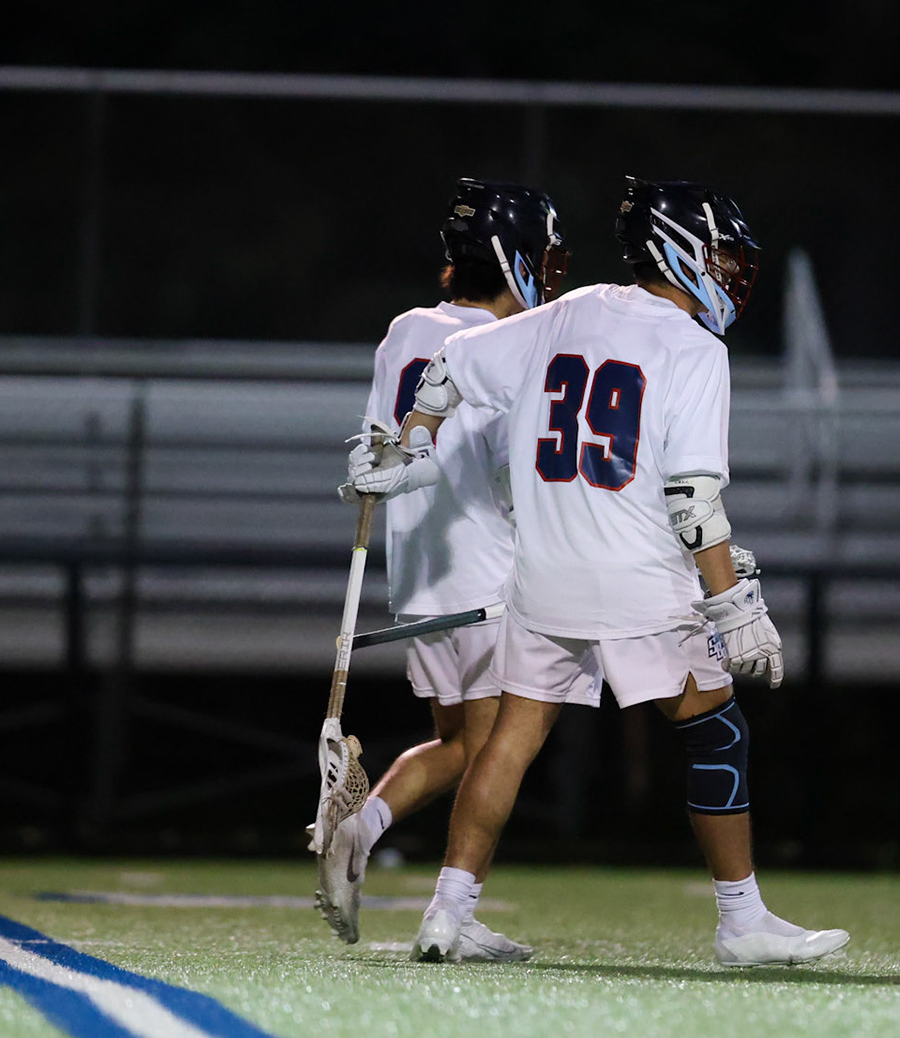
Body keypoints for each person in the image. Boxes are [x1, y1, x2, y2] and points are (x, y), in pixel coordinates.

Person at [353, 178, 848, 967]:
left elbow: (447, 367)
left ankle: (447, 912)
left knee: (509, 741)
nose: (728, 271)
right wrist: (730, 603)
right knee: (715, 727)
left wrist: (411, 443)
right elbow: (691, 500)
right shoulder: (693, 348)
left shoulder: (571, 308)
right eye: (719, 254)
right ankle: (742, 921)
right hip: (638, 577)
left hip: (544, 575)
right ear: (677, 251)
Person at [320, 178, 568, 960]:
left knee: (461, 744)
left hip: (421, 570)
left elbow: (378, 444)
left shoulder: (405, 329)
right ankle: (451, 914)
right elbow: (515, 471)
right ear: (517, 258)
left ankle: (359, 829)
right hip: (491, 571)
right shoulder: (516, 344)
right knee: (502, 751)